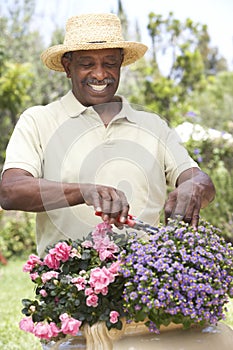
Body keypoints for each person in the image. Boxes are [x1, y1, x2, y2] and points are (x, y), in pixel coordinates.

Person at [0, 13, 215, 257]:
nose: (100, 74)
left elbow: (199, 179)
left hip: (145, 288)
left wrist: (194, 187)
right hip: (67, 288)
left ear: (121, 64)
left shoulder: (153, 125)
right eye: (87, 64)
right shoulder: (38, 121)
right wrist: (84, 191)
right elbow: (10, 191)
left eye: (110, 63)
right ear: (68, 67)